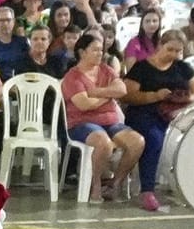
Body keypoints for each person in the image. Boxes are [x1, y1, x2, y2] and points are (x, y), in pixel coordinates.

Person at [60, 33, 144, 202]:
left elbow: (122, 90)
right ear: (82, 52)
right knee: (103, 142)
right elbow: (84, 104)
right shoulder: (72, 77)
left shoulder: (106, 70)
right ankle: (96, 185)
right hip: (81, 123)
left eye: (101, 50)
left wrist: (97, 92)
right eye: (95, 50)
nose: (100, 53)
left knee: (137, 141)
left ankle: (114, 184)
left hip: (110, 121)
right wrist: (108, 95)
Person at [122, 29, 194, 212]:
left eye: (178, 51)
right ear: (160, 46)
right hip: (144, 113)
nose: (173, 55)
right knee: (154, 139)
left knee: (193, 138)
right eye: (170, 49)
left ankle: (191, 186)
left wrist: (182, 98)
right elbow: (128, 96)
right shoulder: (141, 68)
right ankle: (147, 189)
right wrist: (154, 96)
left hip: (175, 114)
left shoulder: (183, 68)